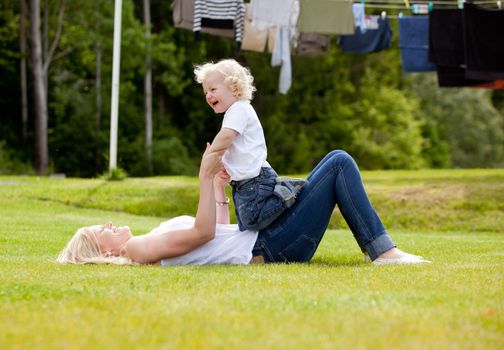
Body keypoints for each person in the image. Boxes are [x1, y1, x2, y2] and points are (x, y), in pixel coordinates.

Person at [57, 146, 430, 266]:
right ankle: (383, 252)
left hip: (265, 239)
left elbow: (215, 231)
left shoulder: (149, 239)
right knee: (338, 163)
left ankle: (382, 250)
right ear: (103, 253)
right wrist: (202, 177)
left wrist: (218, 187)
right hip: (270, 245)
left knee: (335, 164)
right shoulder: (136, 250)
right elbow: (202, 232)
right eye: (100, 232)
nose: (107, 224)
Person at [194, 59, 305, 232]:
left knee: (251, 222)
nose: (208, 95)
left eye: (213, 90)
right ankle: (283, 203)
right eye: (206, 92)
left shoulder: (239, 109)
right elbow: (235, 147)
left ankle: (287, 190)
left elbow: (226, 137)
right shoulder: (235, 112)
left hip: (256, 179)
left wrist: (211, 155)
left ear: (235, 89)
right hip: (244, 183)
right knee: (246, 226)